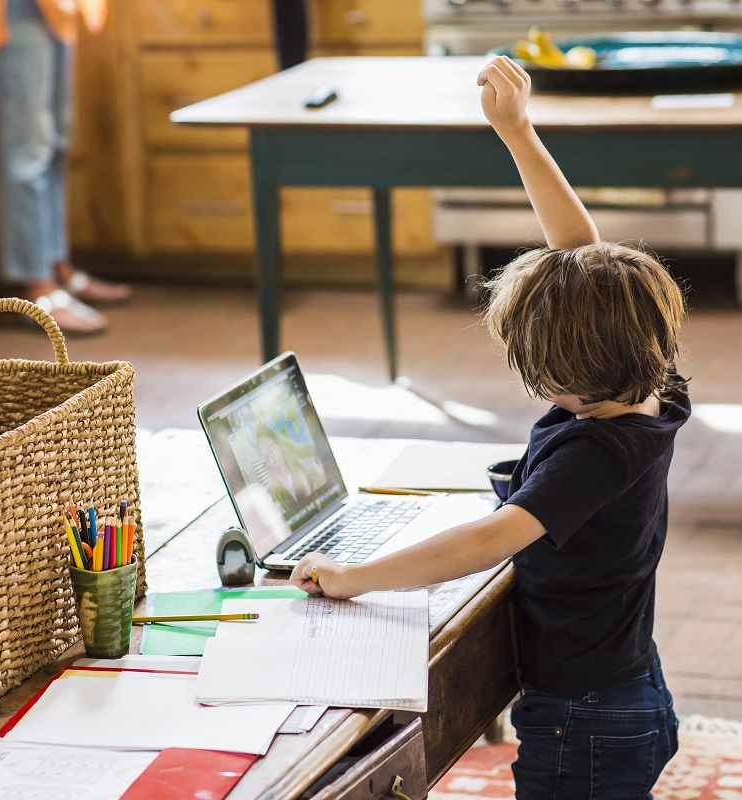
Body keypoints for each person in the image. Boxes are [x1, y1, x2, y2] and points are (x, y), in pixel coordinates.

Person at [290, 55, 689, 800]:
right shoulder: (648, 384)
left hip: (586, 720)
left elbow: (487, 541)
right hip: (623, 691)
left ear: (563, 374)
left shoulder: (594, 455)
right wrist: (517, 131)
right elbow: (582, 253)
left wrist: (355, 577)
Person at [0, 0, 130, 334]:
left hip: (59, 8)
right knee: (28, 151)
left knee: (57, 142)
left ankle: (57, 265)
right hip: (14, 9)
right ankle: (38, 286)